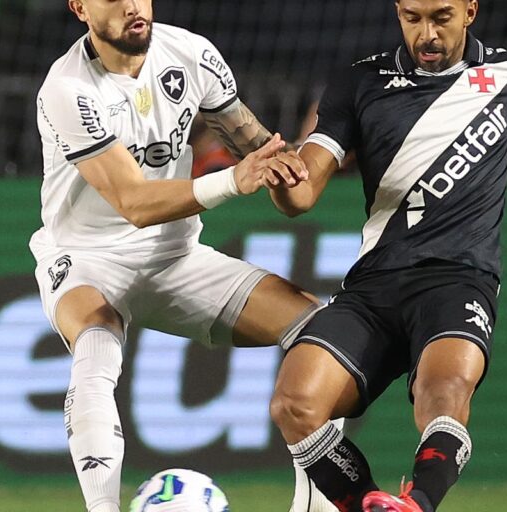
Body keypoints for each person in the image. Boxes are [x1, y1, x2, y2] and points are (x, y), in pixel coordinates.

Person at [262, 1, 507, 511]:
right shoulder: (360, 82)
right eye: (412, 17)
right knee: (293, 404)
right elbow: (302, 193)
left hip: (458, 281)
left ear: (470, 9)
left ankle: (420, 504)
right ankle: (369, 504)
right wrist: (284, 182)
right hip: (374, 286)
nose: (426, 33)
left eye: (441, 17)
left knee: (445, 389)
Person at [31, 2, 337, 511]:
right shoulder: (68, 88)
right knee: (95, 345)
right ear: (80, 7)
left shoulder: (191, 55)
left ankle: (315, 507)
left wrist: (293, 171)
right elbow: (133, 202)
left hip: (176, 256)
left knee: (327, 335)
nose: (133, 6)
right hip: (87, 258)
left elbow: (260, 148)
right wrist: (234, 181)